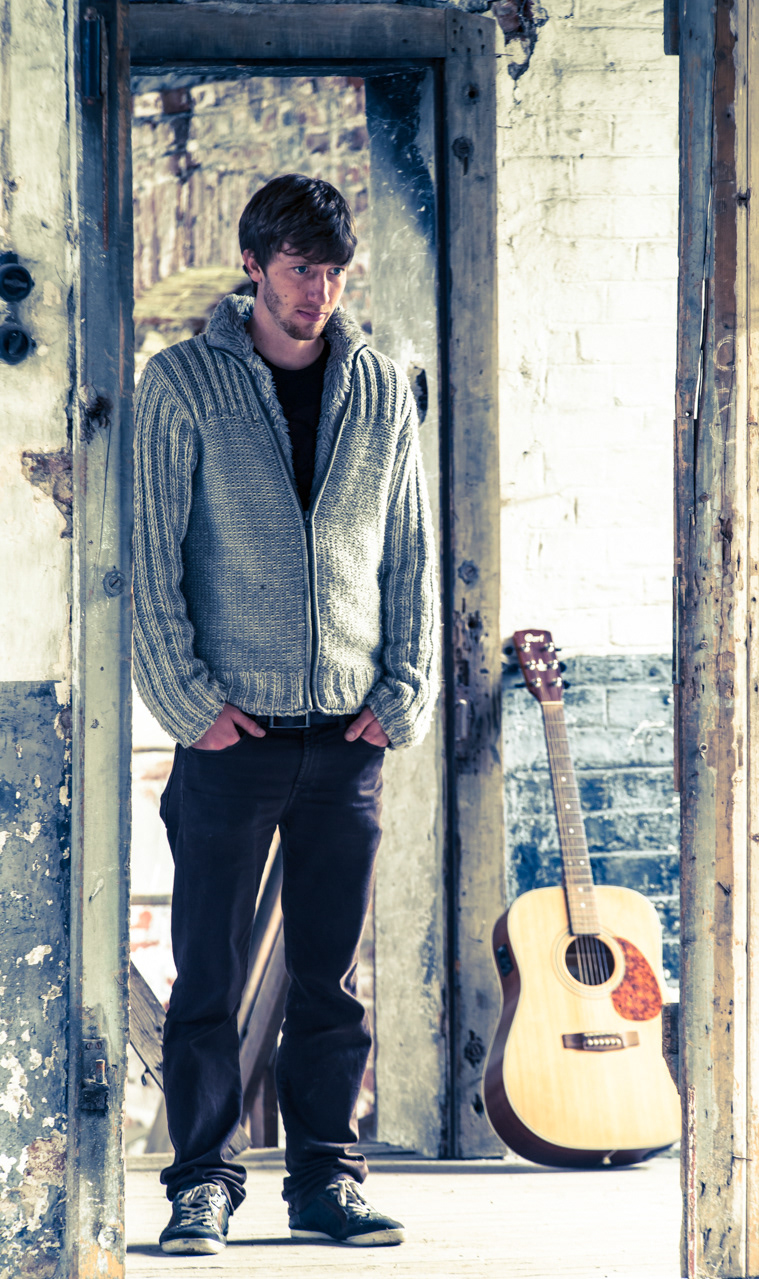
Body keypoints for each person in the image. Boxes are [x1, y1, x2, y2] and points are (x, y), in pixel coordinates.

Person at [132, 174, 439, 1255]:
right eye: (301, 269)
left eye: (334, 272)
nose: (320, 292)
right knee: (209, 979)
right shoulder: (181, 384)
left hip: (347, 738)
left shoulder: (380, 386)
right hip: (231, 739)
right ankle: (201, 1186)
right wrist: (190, 704)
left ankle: (326, 1181)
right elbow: (149, 557)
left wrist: (401, 692)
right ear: (254, 265)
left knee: (330, 981)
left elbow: (409, 550)